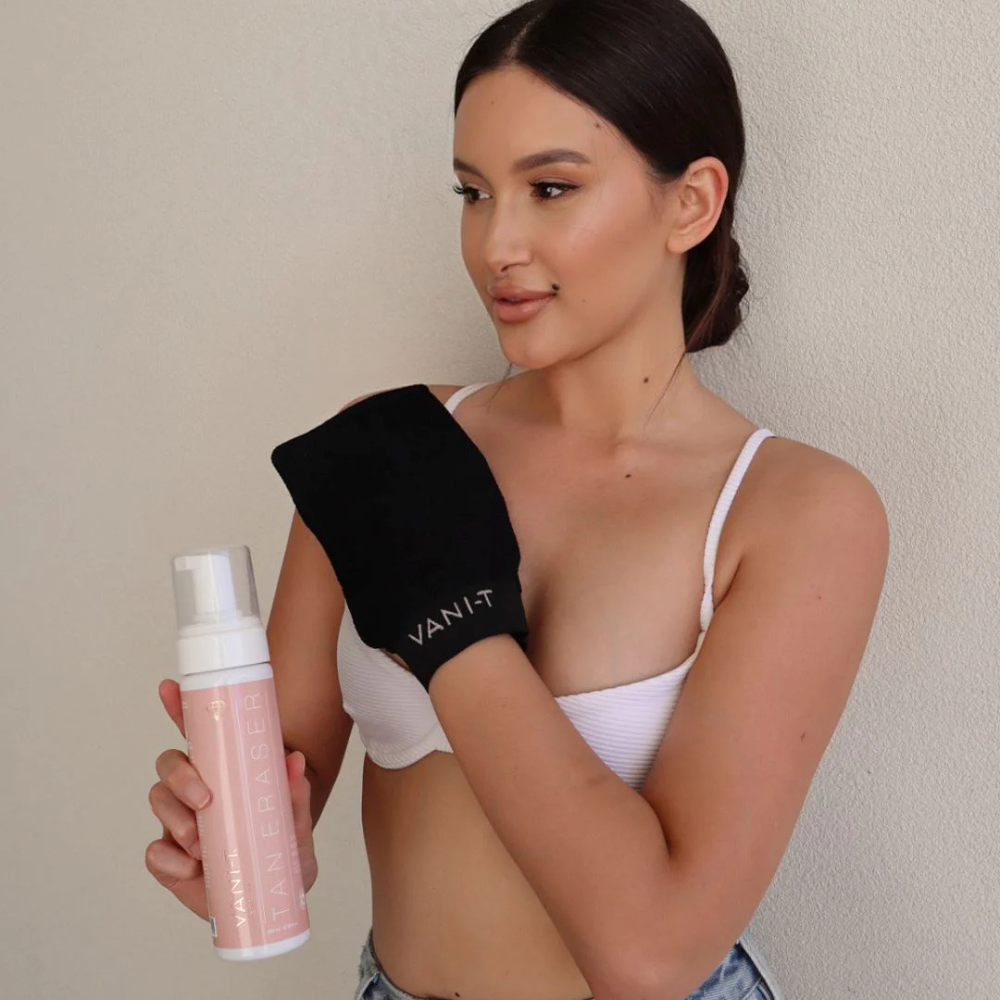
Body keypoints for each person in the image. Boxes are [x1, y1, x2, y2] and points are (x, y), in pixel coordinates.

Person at [147, 1, 890, 998]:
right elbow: (277, 792)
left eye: (550, 188)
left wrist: (450, 628)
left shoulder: (795, 512)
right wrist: (232, 847)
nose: (496, 243)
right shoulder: (385, 449)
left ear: (691, 203)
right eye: (472, 192)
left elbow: (652, 951)